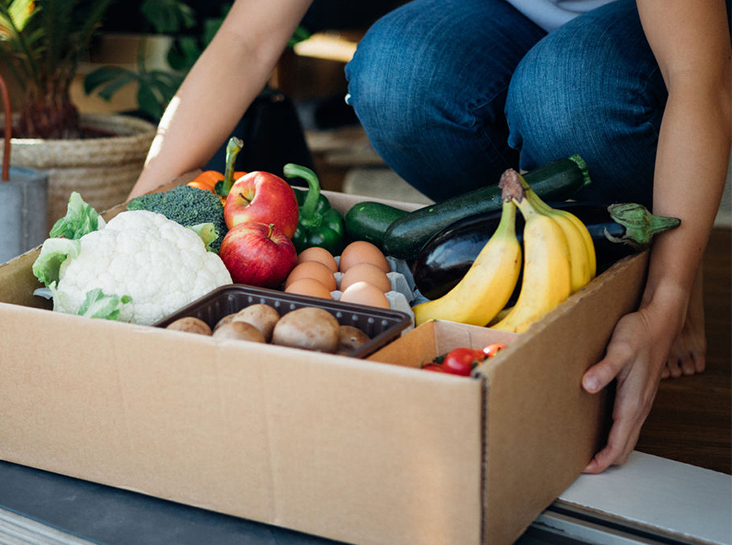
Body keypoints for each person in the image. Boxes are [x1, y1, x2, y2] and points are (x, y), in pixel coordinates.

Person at [130, 0, 732, 474]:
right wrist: (137, 209)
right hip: (503, 17)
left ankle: (652, 237)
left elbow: (700, 82)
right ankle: (520, 249)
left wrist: (668, 295)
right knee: (398, 72)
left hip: (646, 38)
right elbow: (248, 37)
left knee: (564, 97)